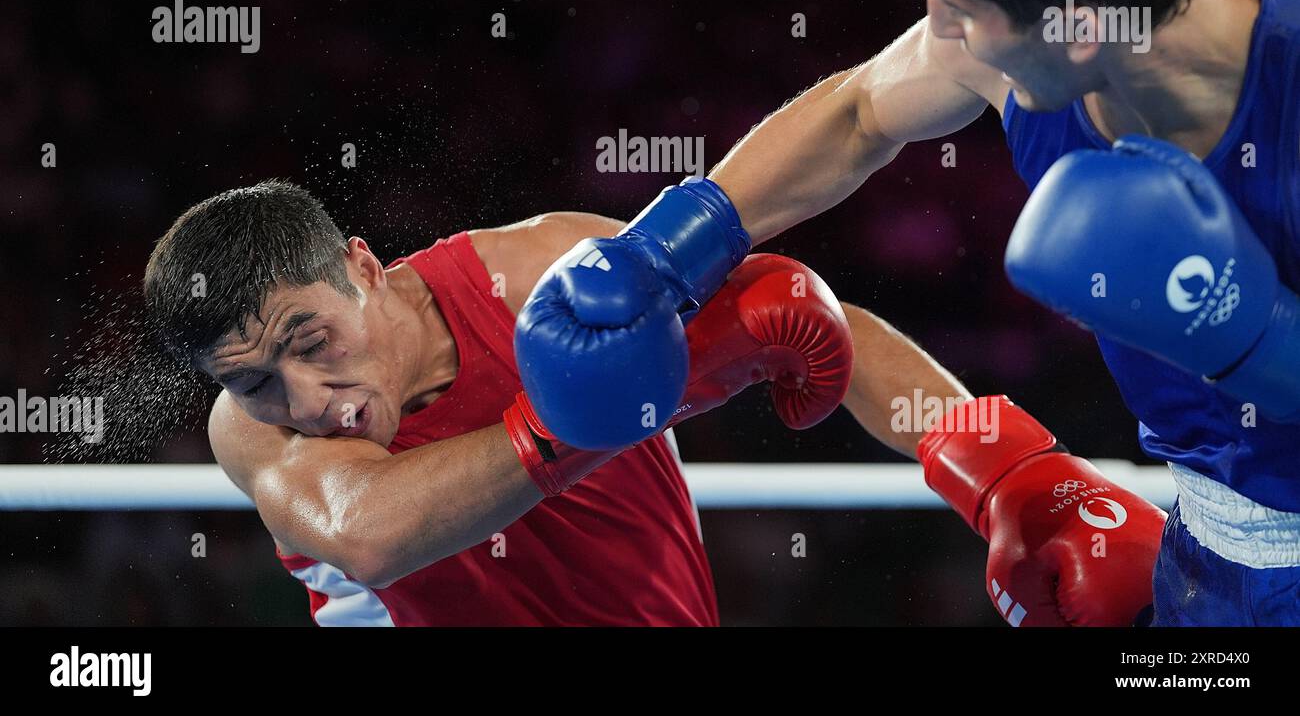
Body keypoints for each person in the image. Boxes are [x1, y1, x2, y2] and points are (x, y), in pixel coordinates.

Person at [515, 0, 1300, 626]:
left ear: (1078, 26)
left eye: (958, 7)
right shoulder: (1012, 43)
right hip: (1206, 558)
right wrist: (662, 252)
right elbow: (856, 115)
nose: (934, 26)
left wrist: (1255, 340)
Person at [143, 180, 853, 626]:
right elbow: (367, 535)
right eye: (256, 381)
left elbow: (800, 296)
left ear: (364, 269)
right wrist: (591, 401)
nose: (306, 400)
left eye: (313, 340)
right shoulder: (250, 428)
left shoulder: (531, 275)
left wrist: (958, 444)